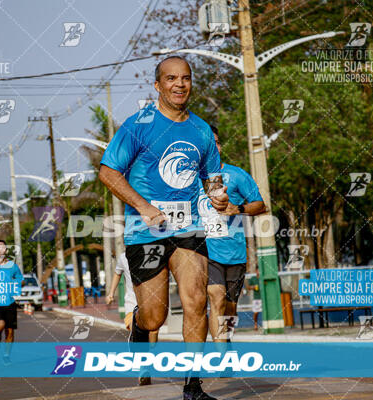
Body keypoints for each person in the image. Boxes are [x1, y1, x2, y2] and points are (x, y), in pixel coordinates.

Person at [99, 55, 228, 400]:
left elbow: (212, 179)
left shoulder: (201, 129)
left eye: (185, 78)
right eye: (171, 79)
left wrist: (218, 197)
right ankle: (140, 329)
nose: (179, 84)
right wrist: (143, 207)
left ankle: (193, 387)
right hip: (146, 232)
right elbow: (108, 172)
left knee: (195, 301)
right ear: (158, 85)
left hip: (188, 228)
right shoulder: (137, 125)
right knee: (155, 317)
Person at [199, 127, 266, 342]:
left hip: (235, 252)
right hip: (206, 251)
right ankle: (221, 356)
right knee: (216, 298)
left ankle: (225, 341)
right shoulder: (190, 179)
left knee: (230, 307)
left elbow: (261, 205)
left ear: (220, 146)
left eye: (216, 142)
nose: (212, 147)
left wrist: (238, 209)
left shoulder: (236, 175)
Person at [106, 252, 158, 386]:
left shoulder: (151, 254)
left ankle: (146, 361)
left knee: (153, 332)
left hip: (151, 302)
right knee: (137, 328)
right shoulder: (123, 257)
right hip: (132, 304)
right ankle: (143, 367)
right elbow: (117, 274)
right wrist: (111, 293)